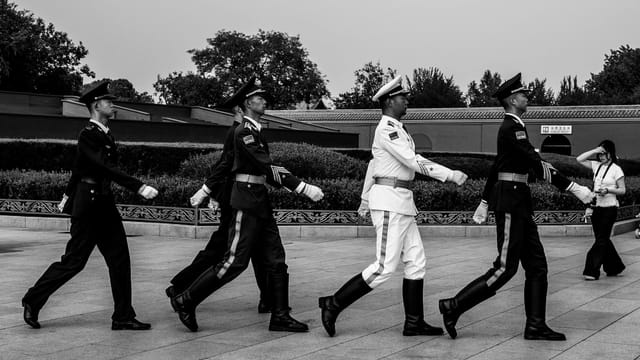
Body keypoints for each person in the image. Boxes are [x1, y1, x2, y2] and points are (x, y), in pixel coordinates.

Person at [438, 73, 595, 341]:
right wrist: (575, 189)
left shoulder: (513, 128)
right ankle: (454, 306)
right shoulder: (512, 128)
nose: (527, 97)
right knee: (505, 267)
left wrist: (484, 202)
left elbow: (497, 166)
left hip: (517, 201)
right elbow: (537, 165)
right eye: (523, 94)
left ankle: (535, 325)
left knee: (537, 266)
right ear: (512, 100)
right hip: (511, 202)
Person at [318, 76, 468, 337]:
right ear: (389, 101)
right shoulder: (388, 129)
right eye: (402, 97)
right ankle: (334, 303)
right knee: (384, 266)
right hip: (389, 202)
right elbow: (412, 161)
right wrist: (449, 174)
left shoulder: (398, 128)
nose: (406, 101)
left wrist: (364, 198)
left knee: (416, 261)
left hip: (402, 202)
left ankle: (414, 322)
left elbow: (373, 165)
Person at [170, 79, 324, 332]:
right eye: (258, 97)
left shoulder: (254, 131)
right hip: (246, 201)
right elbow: (266, 165)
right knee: (235, 261)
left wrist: (206, 189)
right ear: (246, 104)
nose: (264, 100)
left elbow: (233, 165)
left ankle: (280, 315)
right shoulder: (244, 132)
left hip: (259, 200)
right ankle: (186, 300)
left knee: (276, 259)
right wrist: (302, 187)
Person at [22, 81, 159, 330]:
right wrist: (137, 186)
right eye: (109, 102)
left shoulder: (105, 134)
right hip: (89, 205)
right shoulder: (88, 135)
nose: (113, 105)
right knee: (74, 261)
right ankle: (33, 299)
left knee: (120, 260)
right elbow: (102, 167)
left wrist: (66, 193)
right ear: (96, 105)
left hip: (104, 203)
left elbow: (78, 167)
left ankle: (123, 316)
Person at [166, 78, 272, 313]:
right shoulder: (237, 132)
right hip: (233, 196)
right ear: (240, 107)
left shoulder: (245, 130)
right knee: (219, 251)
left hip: (235, 195)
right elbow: (225, 166)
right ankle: (181, 289)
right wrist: (210, 192)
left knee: (251, 250)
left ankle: (268, 297)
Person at [576, 140, 626, 280]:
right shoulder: (596, 166)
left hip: (610, 208)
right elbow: (579, 159)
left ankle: (591, 270)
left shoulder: (616, 169)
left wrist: (608, 190)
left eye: (604, 153)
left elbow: (622, 190)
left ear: (611, 153)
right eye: (600, 154)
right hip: (597, 207)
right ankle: (614, 266)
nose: (601, 156)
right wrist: (596, 150)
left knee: (601, 240)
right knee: (602, 239)